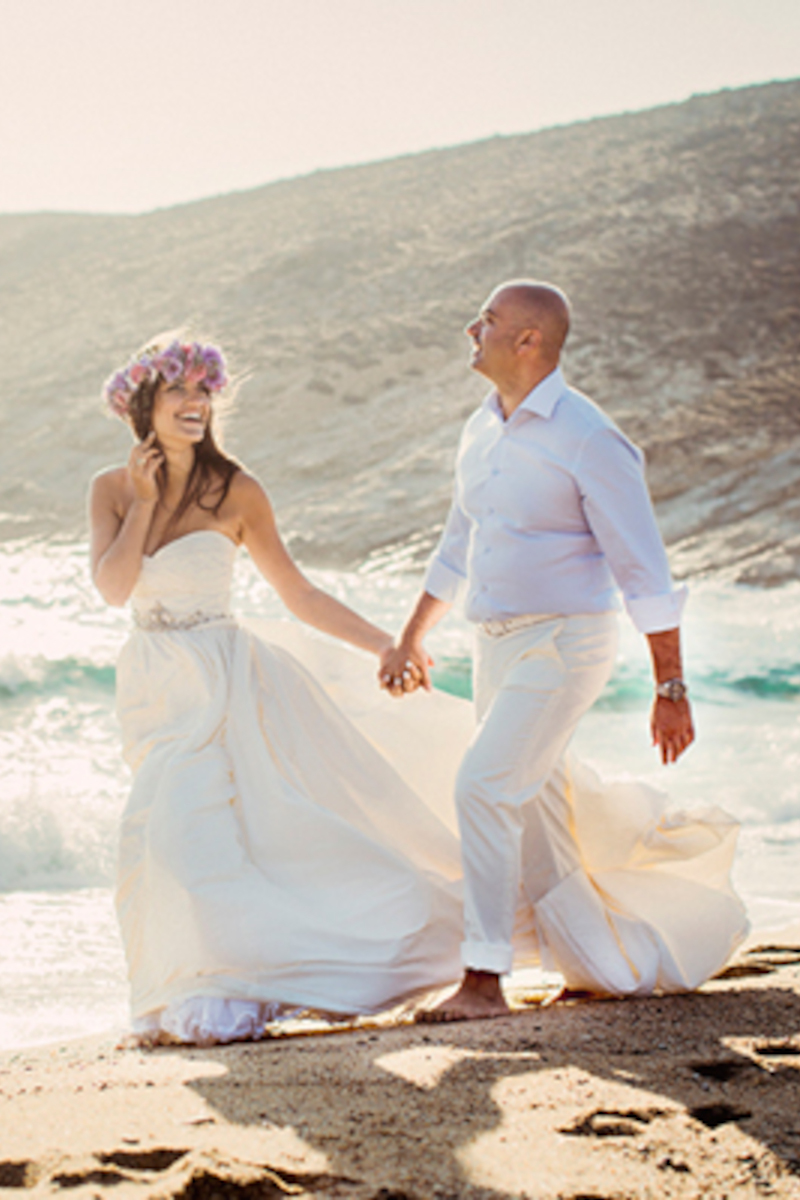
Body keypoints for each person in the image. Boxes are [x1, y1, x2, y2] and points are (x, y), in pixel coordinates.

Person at [380, 280, 748, 1021]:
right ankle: (601, 965)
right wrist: (413, 634)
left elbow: (643, 569)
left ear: (529, 342)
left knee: (483, 787)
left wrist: (670, 687)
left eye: (486, 320)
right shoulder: (480, 428)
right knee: (538, 818)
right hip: (496, 646)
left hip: (564, 643)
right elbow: (460, 542)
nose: (470, 328)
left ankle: (483, 979)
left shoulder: (589, 436)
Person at [90, 334, 466, 1045]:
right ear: (144, 405)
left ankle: (224, 992)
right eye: (179, 390)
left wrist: (385, 644)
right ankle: (199, 981)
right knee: (165, 840)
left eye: (205, 390)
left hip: (227, 681)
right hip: (154, 687)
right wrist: (141, 503)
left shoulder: (239, 490)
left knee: (199, 831)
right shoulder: (110, 489)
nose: (196, 403)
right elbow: (113, 591)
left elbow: (297, 592)